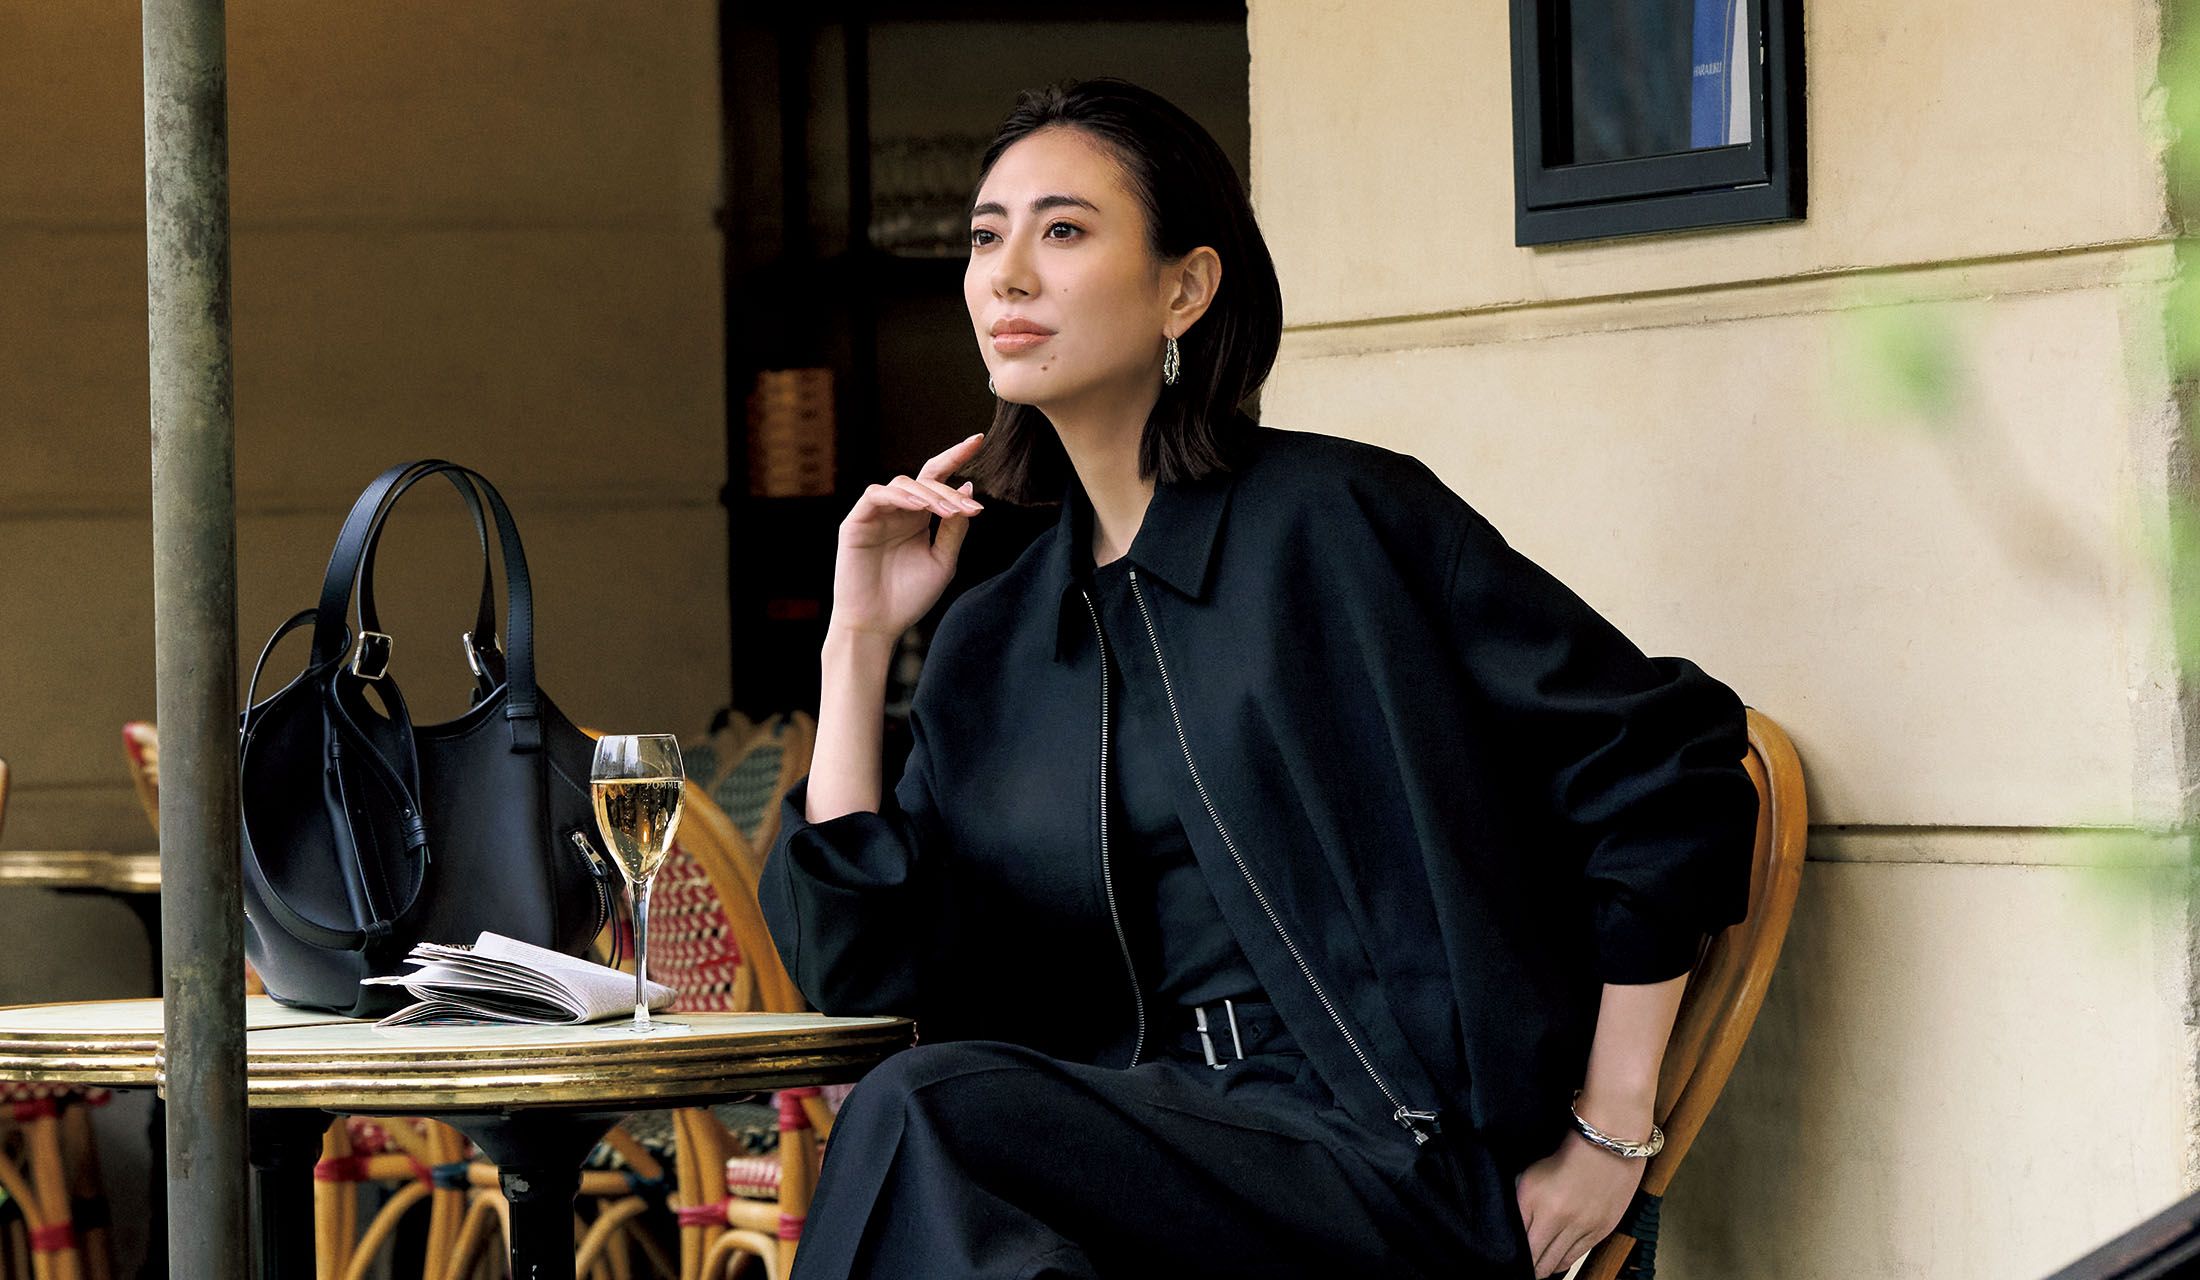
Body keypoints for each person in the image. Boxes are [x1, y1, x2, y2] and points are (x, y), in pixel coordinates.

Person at [759, 77, 1759, 1280]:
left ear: (1185, 286)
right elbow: (859, 965)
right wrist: (857, 639)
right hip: (1133, 1163)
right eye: (985, 237)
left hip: (1386, 1154)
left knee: (930, 1115)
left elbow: (1667, 767)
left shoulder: (1337, 524)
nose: (1006, 275)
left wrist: (1611, 1125)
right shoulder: (998, 636)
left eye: (1062, 231)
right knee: (947, 1154)